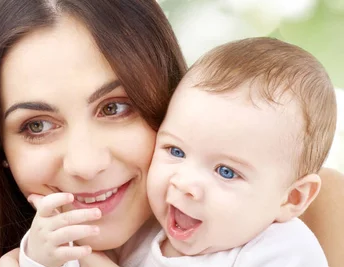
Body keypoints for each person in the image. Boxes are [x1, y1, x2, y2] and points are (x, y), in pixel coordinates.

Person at [0, 1, 344, 267]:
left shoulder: (297, 227)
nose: (85, 164)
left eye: (114, 107)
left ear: (164, 98)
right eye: (37, 126)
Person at [17, 37, 335, 266]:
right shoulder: (142, 234)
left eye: (226, 171)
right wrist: (41, 256)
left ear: (291, 198)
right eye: (176, 151)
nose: (183, 183)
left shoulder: (281, 250)